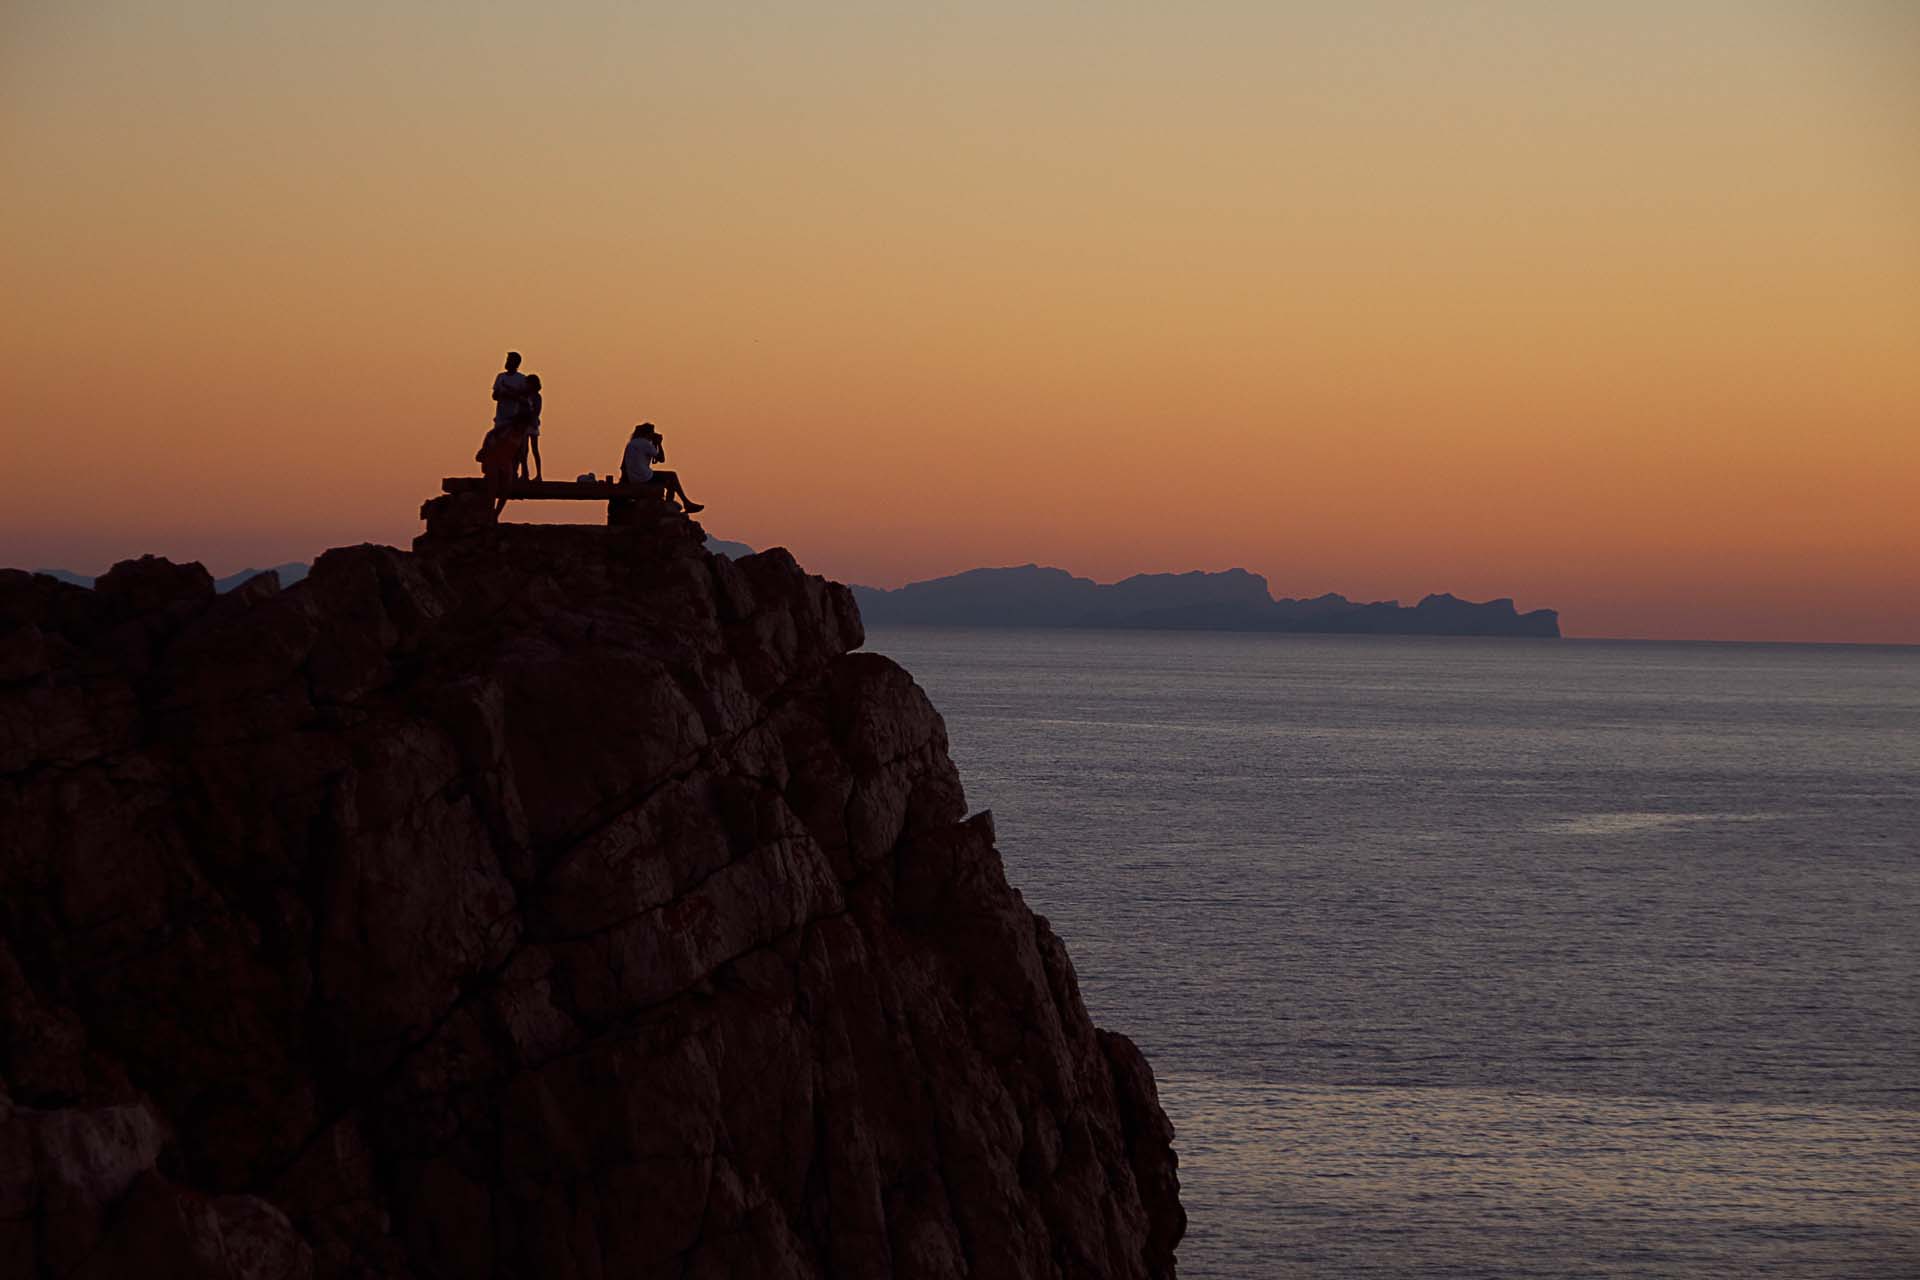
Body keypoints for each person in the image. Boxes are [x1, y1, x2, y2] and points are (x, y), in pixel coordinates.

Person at [620, 423, 704, 513]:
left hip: (633, 478)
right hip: (644, 477)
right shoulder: (645, 443)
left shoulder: (631, 444)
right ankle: (683, 503)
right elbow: (661, 459)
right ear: (647, 433)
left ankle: (674, 504)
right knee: (672, 476)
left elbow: (623, 466)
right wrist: (659, 444)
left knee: (669, 480)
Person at [517, 374, 544, 482]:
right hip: (525, 424)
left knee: (534, 449)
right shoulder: (526, 396)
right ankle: (525, 473)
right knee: (524, 450)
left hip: (531, 424)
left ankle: (538, 475)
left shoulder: (536, 397)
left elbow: (536, 411)